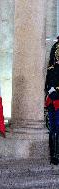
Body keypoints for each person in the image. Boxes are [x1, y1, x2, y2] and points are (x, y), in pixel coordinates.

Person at [45, 37, 59, 165]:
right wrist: (51, 90)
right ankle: (54, 155)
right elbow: (47, 84)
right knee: (53, 128)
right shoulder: (52, 69)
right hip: (53, 102)